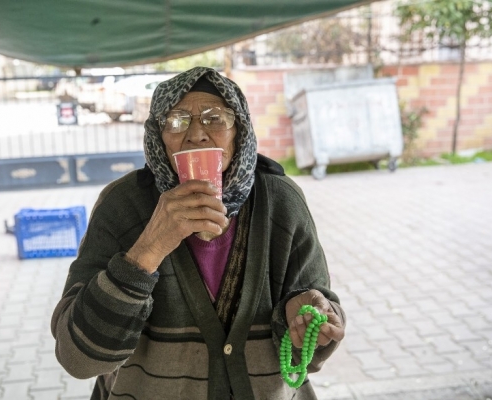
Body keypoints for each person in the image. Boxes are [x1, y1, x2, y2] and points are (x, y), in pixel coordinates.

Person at [51, 66, 346, 400]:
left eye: (215, 118)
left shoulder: (280, 201)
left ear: (240, 131)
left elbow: (316, 332)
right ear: (157, 136)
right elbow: (77, 358)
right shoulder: (122, 205)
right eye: (176, 120)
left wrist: (305, 319)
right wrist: (149, 247)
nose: (196, 134)